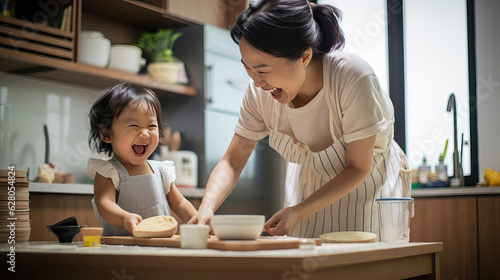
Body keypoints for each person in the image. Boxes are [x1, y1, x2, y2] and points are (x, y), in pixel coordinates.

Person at [189, 0, 411, 238]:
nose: (256, 82)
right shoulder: (259, 93)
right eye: (248, 69)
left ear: (304, 57)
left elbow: (358, 167)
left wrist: (299, 211)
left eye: (263, 70)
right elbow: (233, 162)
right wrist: (207, 208)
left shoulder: (352, 79)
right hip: (307, 192)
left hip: (368, 190)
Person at [87, 83, 197, 236]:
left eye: (151, 125)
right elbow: (105, 204)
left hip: (162, 249)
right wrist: (124, 218)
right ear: (107, 133)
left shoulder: (161, 170)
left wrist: (197, 220)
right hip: (122, 249)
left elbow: (180, 203)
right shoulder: (109, 172)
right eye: (134, 125)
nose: (145, 133)